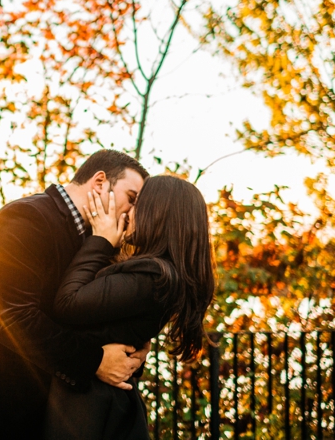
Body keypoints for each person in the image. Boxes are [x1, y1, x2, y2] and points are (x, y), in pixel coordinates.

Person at [0, 149, 150, 440]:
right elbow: (12, 319)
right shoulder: (23, 219)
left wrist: (134, 349)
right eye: (131, 199)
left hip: (46, 408)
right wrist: (95, 362)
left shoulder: (97, 239)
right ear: (99, 182)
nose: (132, 213)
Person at [42, 174, 216, 440]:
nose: (129, 212)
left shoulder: (151, 276)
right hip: (102, 404)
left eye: (138, 204)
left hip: (92, 410)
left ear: (156, 213)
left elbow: (68, 303)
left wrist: (100, 240)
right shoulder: (160, 275)